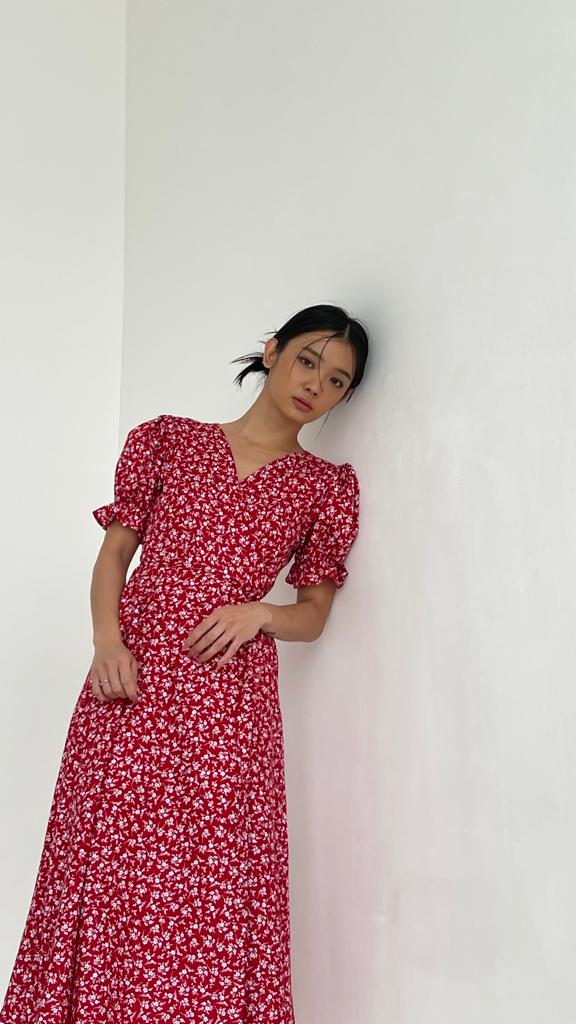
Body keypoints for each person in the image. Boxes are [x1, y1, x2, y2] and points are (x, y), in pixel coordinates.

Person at [0, 303, 368, 1023]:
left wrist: (260, 613)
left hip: (229, 711)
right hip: (131, 686)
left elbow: (314, 614)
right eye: (307, 360)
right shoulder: (168, 441)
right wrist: (107, 641)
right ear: (272, 351)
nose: (315, 385)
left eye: (336, 380)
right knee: (107, 866)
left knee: (211, 884)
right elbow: (115, 553)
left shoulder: (323, 489)